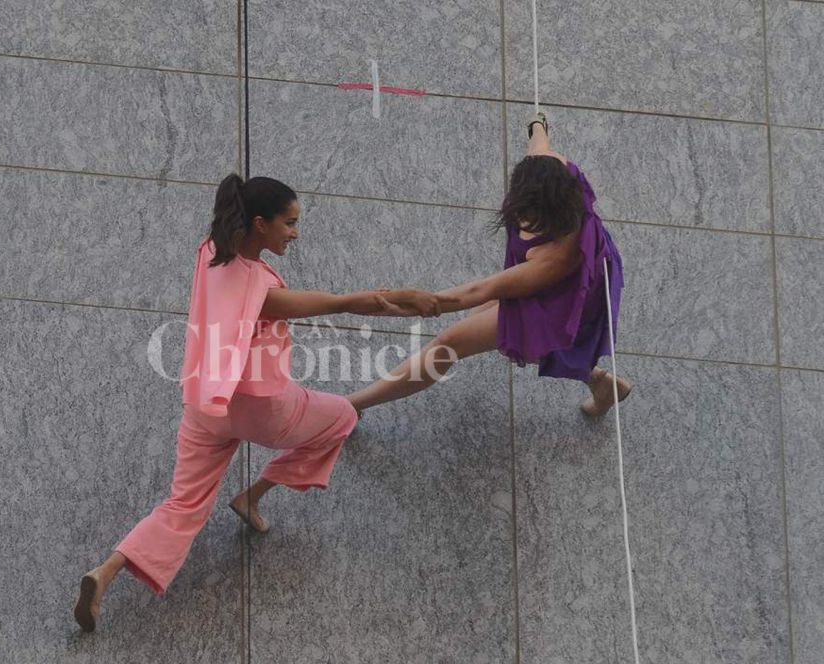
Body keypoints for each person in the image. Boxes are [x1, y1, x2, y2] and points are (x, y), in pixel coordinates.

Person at [74, 174, 456, 632]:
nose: (295, 232)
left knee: (182, 504)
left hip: (205, 407)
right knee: (341, 417)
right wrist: (406, 297)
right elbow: (343, 303)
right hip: (264, 410)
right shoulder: (264, 295)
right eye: (289, 223)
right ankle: (253, 495)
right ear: (260, 223)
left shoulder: (209, 256)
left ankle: (105, 573)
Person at [346, 112, 633, 417]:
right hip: (555, 283)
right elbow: (539, 141)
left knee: (448, 343)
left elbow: (477, 290)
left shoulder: (553, 259)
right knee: (493, 328)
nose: (520, 220)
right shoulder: (549, 167)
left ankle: (351, 406)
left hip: (560, 296)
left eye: (530, 217)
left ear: (553, 214)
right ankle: (600, 382)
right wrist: (537, 123)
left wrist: (405, 305)